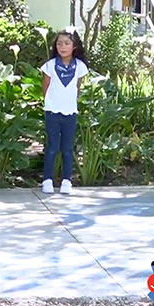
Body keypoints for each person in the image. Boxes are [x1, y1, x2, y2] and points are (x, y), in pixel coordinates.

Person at [39, 29, 89, 195]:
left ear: (74, 46)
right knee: (52, 147)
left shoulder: (80, 66)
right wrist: (52, 102)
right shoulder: (50, 65)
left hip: (70, 113)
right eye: (59, 43)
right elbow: (45, 87)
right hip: (52, 112)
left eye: (67, 43)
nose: (63, 47)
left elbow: (77, 87)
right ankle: (47, 180)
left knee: (67, 149)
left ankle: (67, 180)